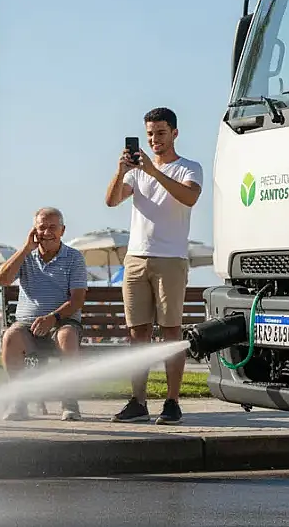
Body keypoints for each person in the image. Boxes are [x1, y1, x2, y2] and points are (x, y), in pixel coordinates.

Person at [104, 107, 203, 425]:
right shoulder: (135, 171)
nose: (153, 139)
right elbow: (111, 200)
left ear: (174, 133)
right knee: (137, 334)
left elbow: (188, 198)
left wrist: (153, 170)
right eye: (149, 134)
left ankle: (172, 402)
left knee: (171, 332)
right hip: (135, 258)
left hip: (171, 259)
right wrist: (121, 171)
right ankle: (138, 401)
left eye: (160, 133)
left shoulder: (189, 167)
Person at [0, 207, 88, 421]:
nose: (47, 232)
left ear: (62, 230)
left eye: (52, 227)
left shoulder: (74, 258)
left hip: (61, 324)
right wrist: (26, 248)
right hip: (27, 327)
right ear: (34, 231)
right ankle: (18, 400)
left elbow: (77, 299)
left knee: (66, 336)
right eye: (42, 227)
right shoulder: (25, 258)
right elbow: (2, 280)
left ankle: (69, 401)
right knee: (10, 337)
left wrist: (52, 318)